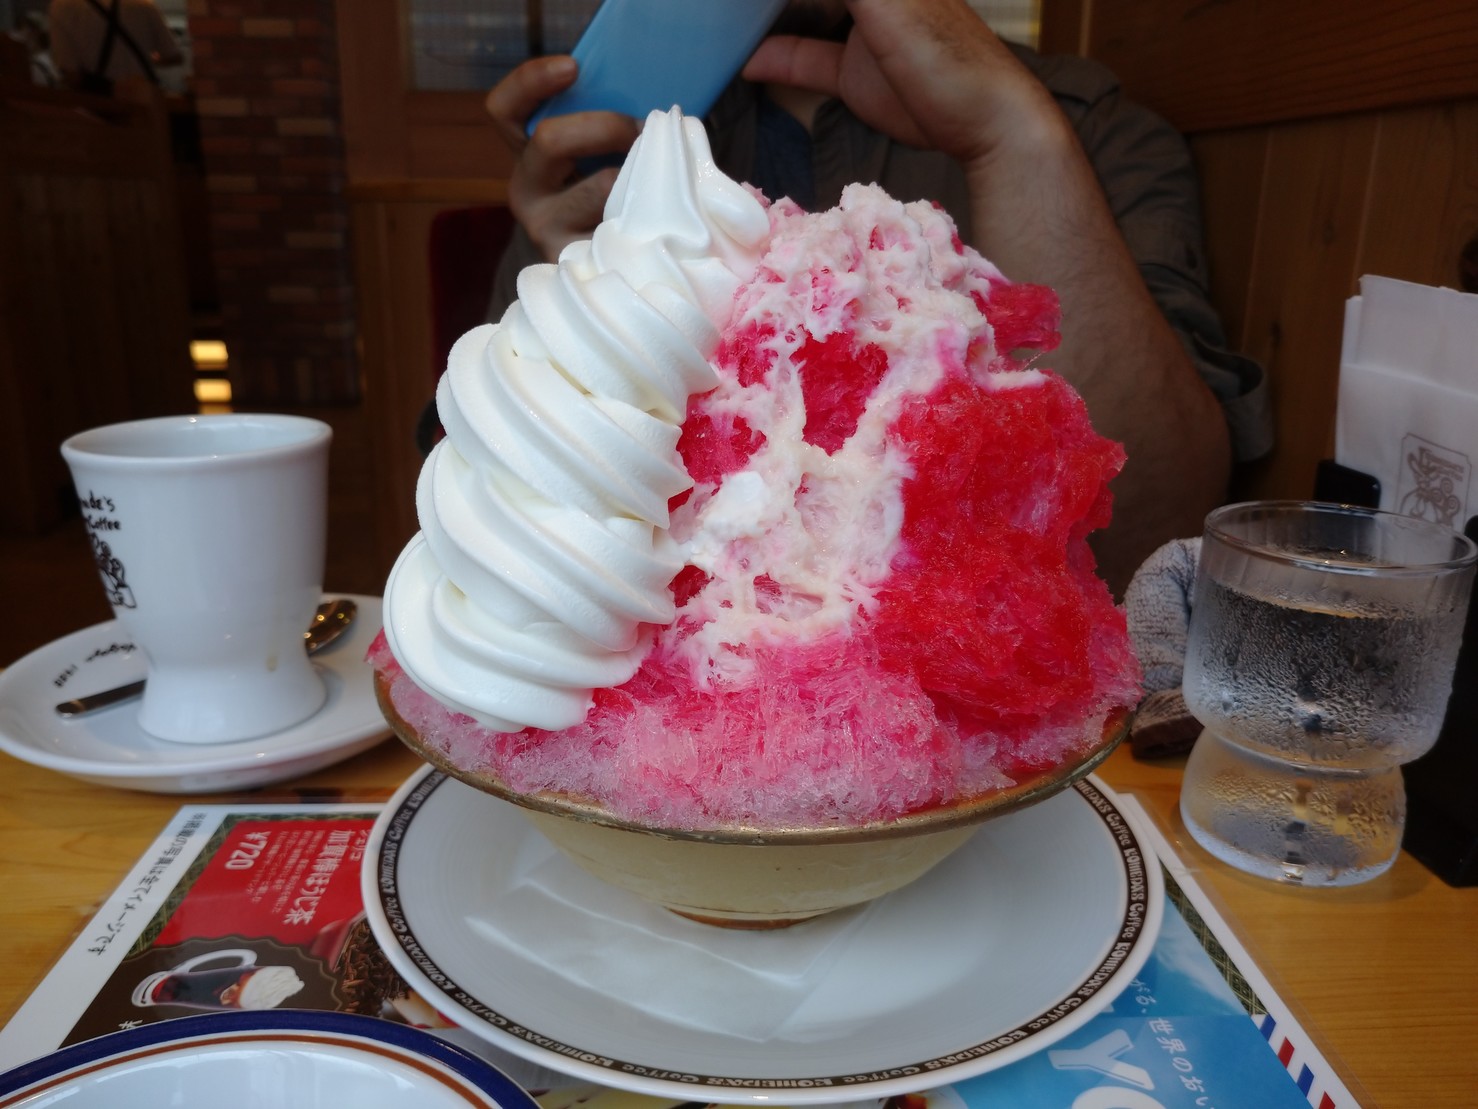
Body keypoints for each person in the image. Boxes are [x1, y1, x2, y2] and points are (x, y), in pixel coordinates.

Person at [476, 0, 1271, 594]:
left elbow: (1153, 539)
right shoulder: (612, 163)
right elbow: (492, 532)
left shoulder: (1080, 125)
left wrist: (1012, 139)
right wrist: (588, 308)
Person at [48, 0, 181, 94]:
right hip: (143, 103)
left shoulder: (62, 6)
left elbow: (71, 75)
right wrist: (148, 59)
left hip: (97, 107)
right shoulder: (143, 4)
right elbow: (174, 56)